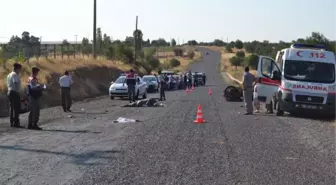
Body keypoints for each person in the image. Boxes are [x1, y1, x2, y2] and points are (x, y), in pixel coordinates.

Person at [7, 63, 23, 128]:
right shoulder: (15, 75)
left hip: (10, 92)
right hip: (14, 92)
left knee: (12, 108)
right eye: (20, 69)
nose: (20, 70)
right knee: (16, 108)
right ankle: (16, 123)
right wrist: (18, 93)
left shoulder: (9, 75)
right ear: (17, 68)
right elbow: (15, 82)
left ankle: (12, 122)